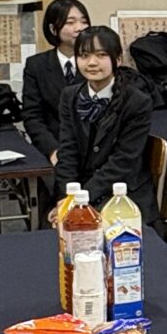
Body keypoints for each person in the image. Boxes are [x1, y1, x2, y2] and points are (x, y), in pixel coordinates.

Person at [52, 24, 158, 220]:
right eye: (84, 55)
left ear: (117, 59)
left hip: (122, 194)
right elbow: (67, 151)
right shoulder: (70, 96)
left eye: (101, 55)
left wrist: (82, 200)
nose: (92, 63)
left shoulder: (137, 102)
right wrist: (68, 199)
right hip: (79, 190)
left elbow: (123, 161)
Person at [19, 0, 88, 156]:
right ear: (53, 29)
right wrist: (52, 151)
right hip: (54, 147)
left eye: (84, 22)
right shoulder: (37, 65)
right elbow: (32, 116)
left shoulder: (97, 63)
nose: (79, 28)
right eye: (70, 22)